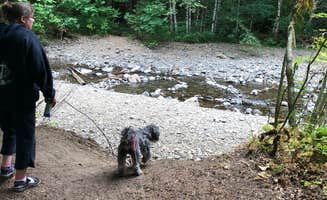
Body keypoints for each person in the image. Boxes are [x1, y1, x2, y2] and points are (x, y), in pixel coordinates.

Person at [0, 2, 56, 192]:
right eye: (32, 18)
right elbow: (40, 68)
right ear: (23, 19)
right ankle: (20, 179)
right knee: (26, 135)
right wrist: (49, 94)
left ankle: (6, 167)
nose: (33, 22)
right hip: (21, 97)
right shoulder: (26, 36)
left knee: (9, 129)